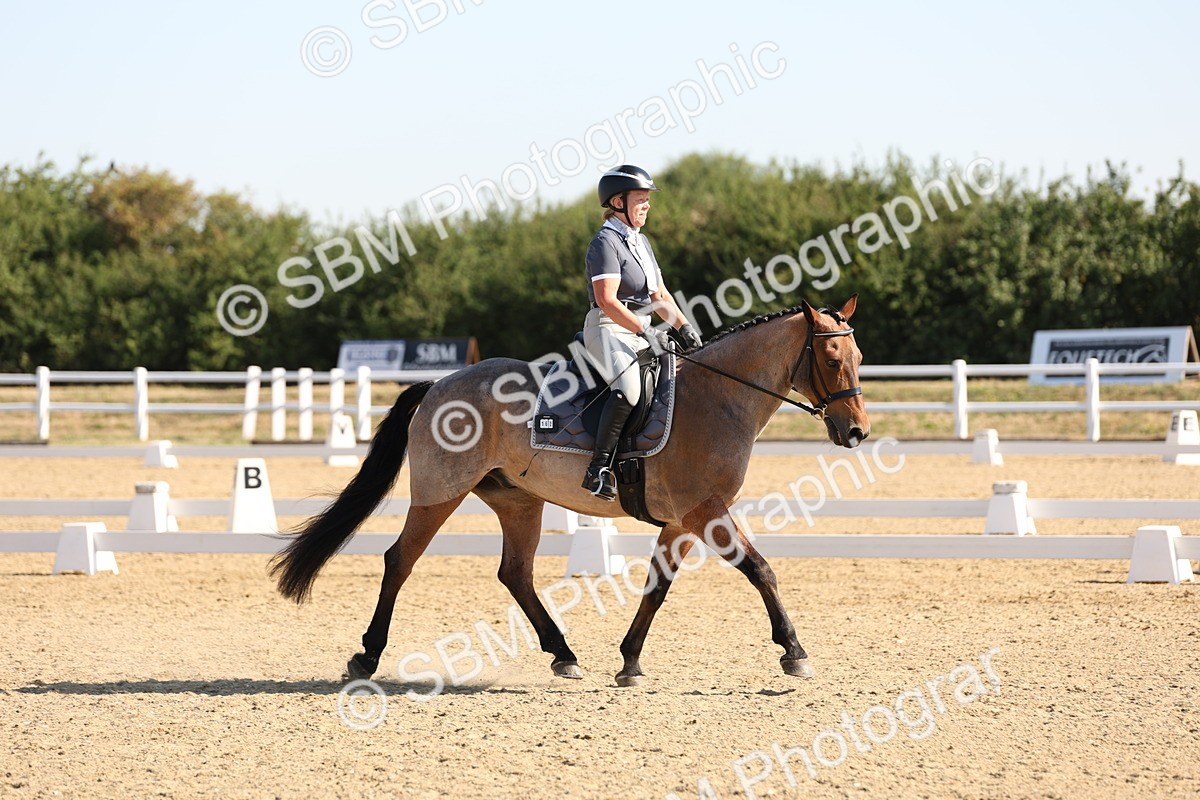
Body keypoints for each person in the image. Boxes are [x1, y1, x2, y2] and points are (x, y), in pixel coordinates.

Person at [581, 165, 703, 500]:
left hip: (640, 329)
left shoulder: (640, 242)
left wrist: (684, 326)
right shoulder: (605, 242)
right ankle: (598, 470)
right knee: (629, 389)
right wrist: (647, 329)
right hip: (608, 328)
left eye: (649, 199)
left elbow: (659, 296)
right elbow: (607, 301)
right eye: (641, 199)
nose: (647, 205)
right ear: (618, 201)